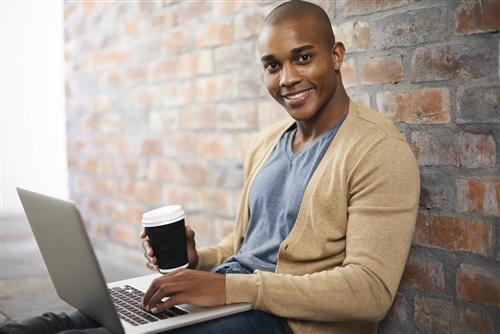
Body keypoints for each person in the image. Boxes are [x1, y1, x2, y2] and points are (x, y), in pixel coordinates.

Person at [1, 1, 419, 333]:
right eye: (273, 65)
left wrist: (225, 288)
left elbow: (370, 292)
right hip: (233, 293)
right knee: (61, 321)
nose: (287, 78)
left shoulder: (377, 151)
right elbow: (247, 250)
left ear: (336, 55)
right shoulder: (267, 143)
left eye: (303, 58)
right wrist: (198, 260)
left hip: (289, 323)